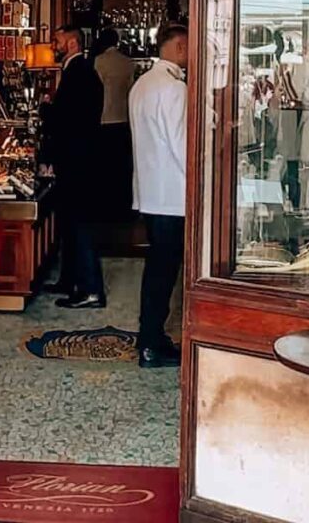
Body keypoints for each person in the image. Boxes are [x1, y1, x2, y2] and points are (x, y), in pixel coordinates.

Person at [129, 23, 188, 368]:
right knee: (163, 272)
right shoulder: (173, 89)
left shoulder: (143, 84)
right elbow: (182, 147)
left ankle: (151, 336)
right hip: (173, 195)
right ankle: (151, 343)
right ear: (180, 47)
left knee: (157, 269)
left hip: (151, 192)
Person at [47, 25, 106, 309]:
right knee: (70, 223)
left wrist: (48, 113)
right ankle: (69, 280)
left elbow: (69, 120)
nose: (52, 45)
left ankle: (90, 290)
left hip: (78, 162)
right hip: (78, 160)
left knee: (80, 224)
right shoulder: (78, 71)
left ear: (71, 42)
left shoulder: (80, 73)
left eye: (56, 41)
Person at [94, 27, 135, 217]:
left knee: (104, 167)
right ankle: (123, 204)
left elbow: (95, 90)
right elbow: (131, 89)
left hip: (104, 117)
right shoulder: (128, 62)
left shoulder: (99, 61)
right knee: (122, 166)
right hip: (124, 117)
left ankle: (106, 205)